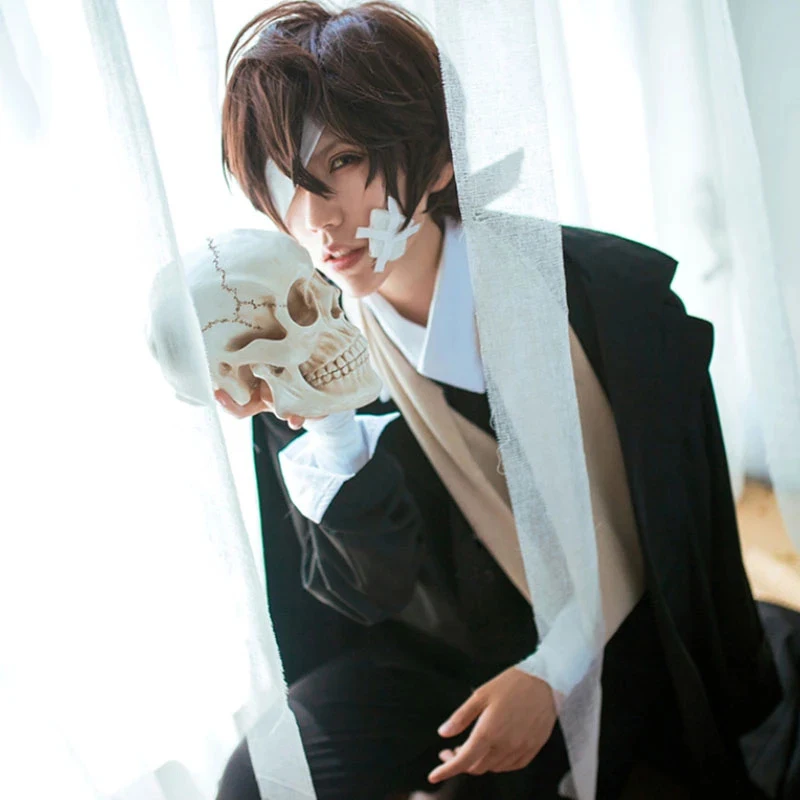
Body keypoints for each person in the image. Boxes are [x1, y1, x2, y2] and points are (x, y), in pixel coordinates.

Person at [214, 2, 781, 798]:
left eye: (341, 160)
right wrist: (331, 423)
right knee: (262, 778)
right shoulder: (310, 345)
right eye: (284, 181)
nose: (314, 217)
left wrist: (553, 673)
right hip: (435, 658)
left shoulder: (609, 303)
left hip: (619, 639)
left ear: (437, 161)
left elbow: (668, 543)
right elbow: (365, 601)